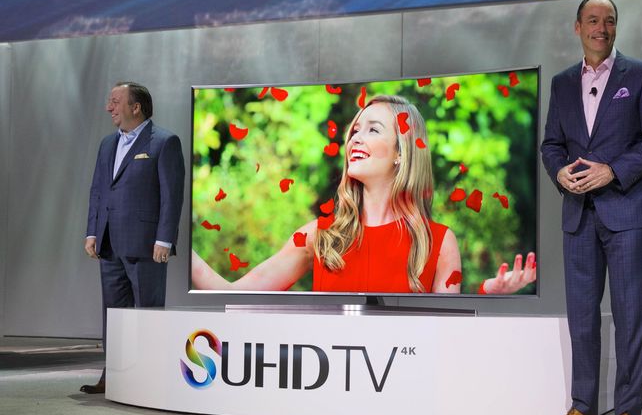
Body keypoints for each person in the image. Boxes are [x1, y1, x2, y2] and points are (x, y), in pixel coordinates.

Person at [192, 94, 535, 294]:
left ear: (402, 151)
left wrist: (488, 295)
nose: (355, 138)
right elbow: (233, 294)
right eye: (355, 130)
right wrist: (170, 238)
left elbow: (446, 339)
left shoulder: (440, 242)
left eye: (373, 130)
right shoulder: (318, 234)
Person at [540, 0, 642, 415]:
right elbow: (551, 144)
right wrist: (559, 171)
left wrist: (612, 171)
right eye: (593, 20)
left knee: (631, 313)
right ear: (577, 27)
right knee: (582, 316)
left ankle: (629, 413)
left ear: (616, 28)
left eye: (609, 21)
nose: (602, 27)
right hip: (579, 214)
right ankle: (583, 408)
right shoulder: (561, 84)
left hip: (629, 211)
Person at [82, 81, 185, 394]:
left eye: (115, 101)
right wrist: (91, 232)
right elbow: (99, 191)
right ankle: (113, 373)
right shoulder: (106, 144)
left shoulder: (165, 142)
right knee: (114, 314)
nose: (108, 107)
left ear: (135, 107)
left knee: (148, 312)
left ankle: (151, 376)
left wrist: (164, 239)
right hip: (109, 243)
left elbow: (172, 195)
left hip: (146, 245)